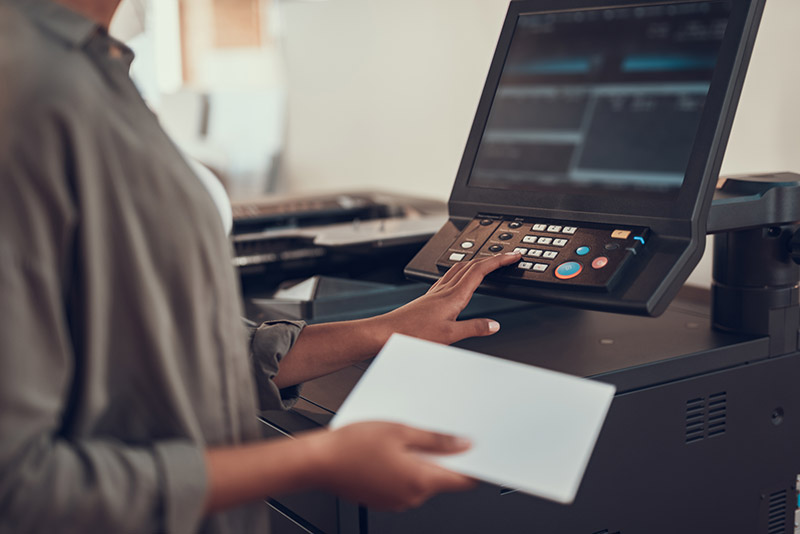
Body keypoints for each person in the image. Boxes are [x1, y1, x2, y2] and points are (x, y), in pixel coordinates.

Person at [0, 1, 522, 532]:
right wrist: (316, 459)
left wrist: (383, 330)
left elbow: (174, 353)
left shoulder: (92, 66)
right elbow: (17, 489)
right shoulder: (24, 90)